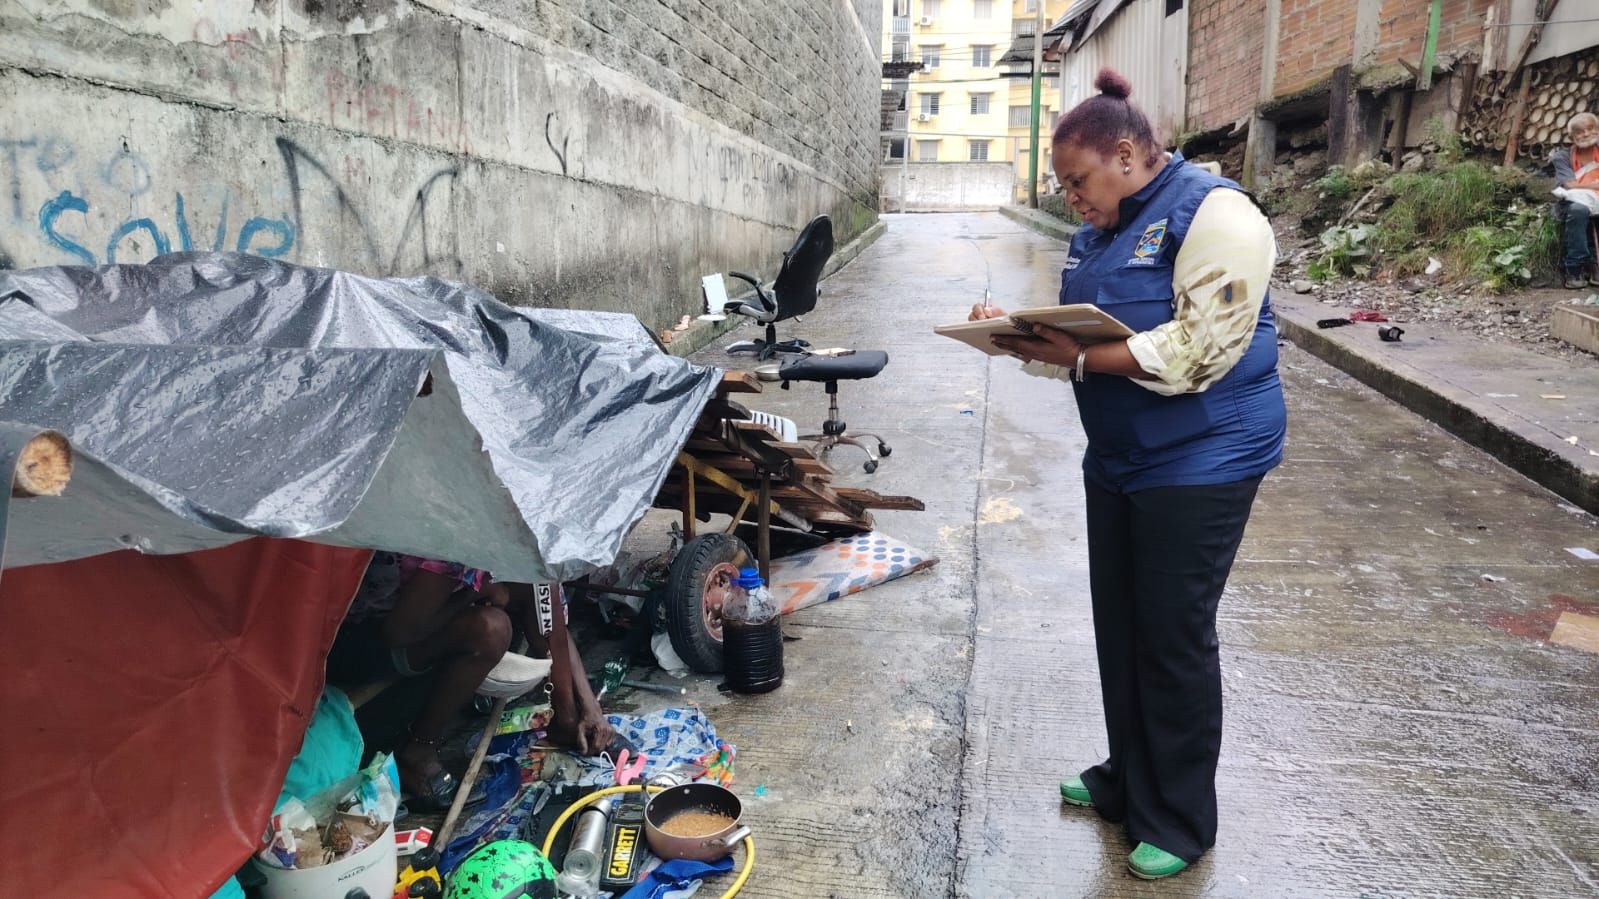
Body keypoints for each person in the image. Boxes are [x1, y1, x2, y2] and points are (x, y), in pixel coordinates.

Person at [971, 68, 1286, 880]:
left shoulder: (1217, 215)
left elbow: (1195, 353)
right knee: (1120, 623)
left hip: (1204, 454)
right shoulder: (1100, 229)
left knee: (1172, 634)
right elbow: (1088, 348)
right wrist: (1017, 337)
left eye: (1076, 180)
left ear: (1123, 153)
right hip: (1119, 456)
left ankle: (1179, 820)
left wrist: (1074, 354)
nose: (1070, 197)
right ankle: (1127, 780)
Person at [327, 553, 615, 809]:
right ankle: (417, 751)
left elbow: (550, 620)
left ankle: (566, 721)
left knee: (533, 585)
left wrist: (590, 707)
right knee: (490, 628)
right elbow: (398, 634)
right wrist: (473, 593)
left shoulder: (516, 538)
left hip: (419, 618)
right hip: (359, 639)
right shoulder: (448, 540)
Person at [1551, 112, 1599, 289]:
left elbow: (1578, 184)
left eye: (1590, 129)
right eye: (1580, 131)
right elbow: (1570, 185)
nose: (1586, 134)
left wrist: (1585, 185)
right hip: (1573, 203)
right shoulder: (1562, 157)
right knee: (1579, 211)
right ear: (1572, 137)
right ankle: (1575, 267)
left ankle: (1596, 264)